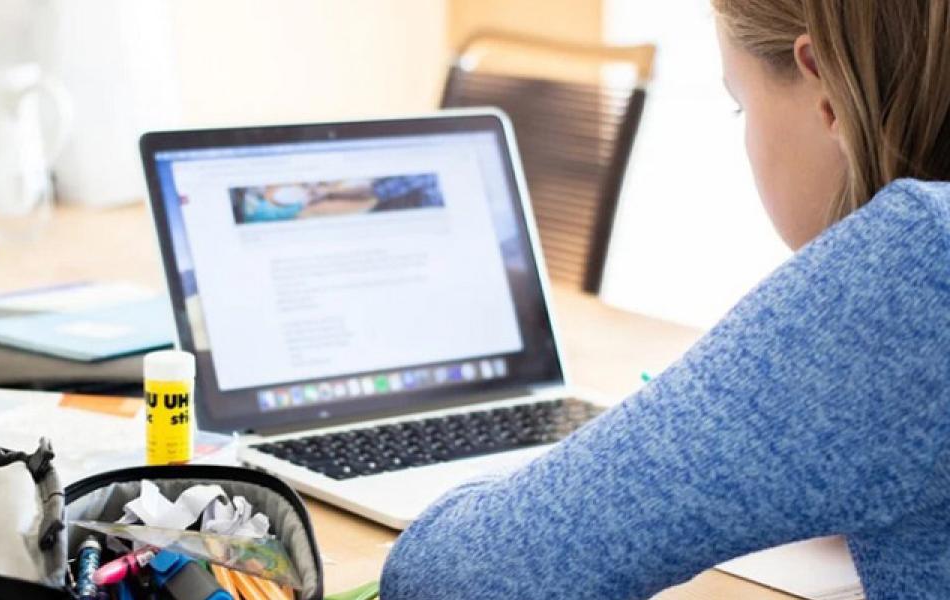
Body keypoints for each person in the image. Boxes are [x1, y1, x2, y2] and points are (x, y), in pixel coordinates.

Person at [380, 1, 950, 598]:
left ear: (826, 91)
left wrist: (571, 477)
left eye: (740, 103)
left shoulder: (913, 261)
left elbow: (451, 579)